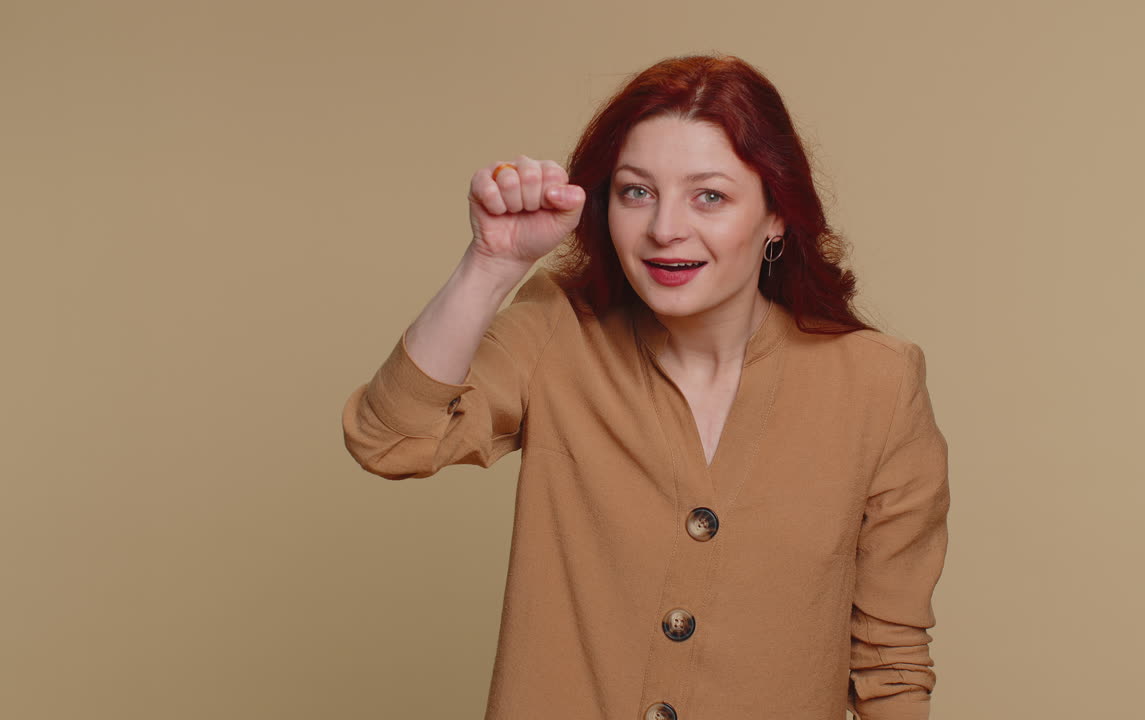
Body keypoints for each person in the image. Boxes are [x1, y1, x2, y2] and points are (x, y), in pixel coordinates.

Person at [342, 53, 950, 720]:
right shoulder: (558, 329)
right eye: (637, 192)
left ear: (777, 213)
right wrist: (490, 265)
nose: (664, 229)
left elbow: (890, 666)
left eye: (709, 196)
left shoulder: (878, 385)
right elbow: (390, 439)